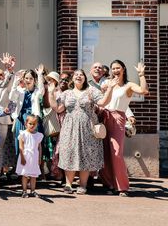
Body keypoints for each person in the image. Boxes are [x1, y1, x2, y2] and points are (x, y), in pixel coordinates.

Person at [48, 69, 114, 194]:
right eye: (76, 75)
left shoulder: (91, 91)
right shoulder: (67, 93)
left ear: (85, 78)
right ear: (72, 79)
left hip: (87, 128)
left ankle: (82, 185)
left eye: (81, 75)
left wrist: (110, 89)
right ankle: (68, 184)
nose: (79, 76)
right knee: (69, 153)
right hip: (69, 127)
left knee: (86, 154)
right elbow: (57, 108)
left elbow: (103, 102)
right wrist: (51, 93)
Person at [100, 61, 149, 196]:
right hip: (104, 117)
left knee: (116, 153)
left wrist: (141, 75)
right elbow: (102, 99)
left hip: (118, 119)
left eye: (118, 68)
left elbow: (144, 91)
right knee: (104, 153)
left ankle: (122, 187)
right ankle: (109, 184)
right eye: (113, 68)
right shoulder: (107, 83)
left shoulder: (129, 85)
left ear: (123, 69)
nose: (115, 70)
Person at [9, 66, 45, 155]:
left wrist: (39, 75)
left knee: (33, 146)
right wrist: (16, 81)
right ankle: (21, 167)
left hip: (33, 120)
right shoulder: (20, 90)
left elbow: (41, 92)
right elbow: (11, 97)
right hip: (21, 120)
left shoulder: (37, 91)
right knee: (20, 145)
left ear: (34, 80)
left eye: (31, 78)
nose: (28, 80)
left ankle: (34, 167)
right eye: (26, 78)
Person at [16, 115, 44, 198]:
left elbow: (39, 148)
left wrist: (39, 158)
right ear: (26, 124)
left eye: (34, 124)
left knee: (33, 175)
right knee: (25, 175)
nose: (32, 125)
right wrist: (22, 158)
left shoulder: (38, 135)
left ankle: (33, 190)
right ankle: (24, 191)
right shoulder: (23, 134)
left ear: (37, 125)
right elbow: (21, 147)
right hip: (25, 156)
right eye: (30, 123)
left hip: (34, 157)